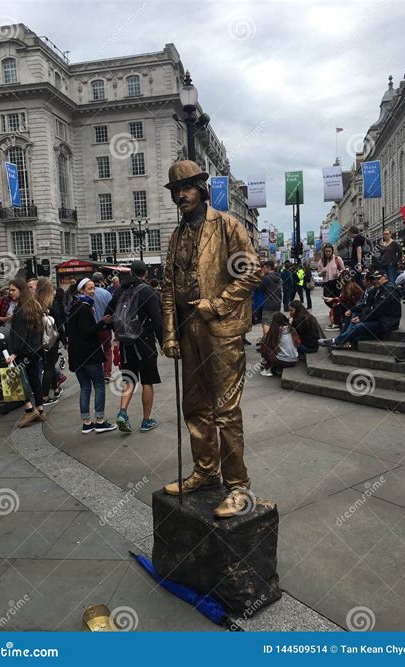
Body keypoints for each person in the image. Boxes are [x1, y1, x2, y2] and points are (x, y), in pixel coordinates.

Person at [161, 160, 262, 518]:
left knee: (226, 411)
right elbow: (169, 288)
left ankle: (238, 486)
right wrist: (170, 332)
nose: (180, 196)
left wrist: (217, 304)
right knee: (195, 407)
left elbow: (251, 270)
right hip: (189, 332)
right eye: (175, 190)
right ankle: (206, 471)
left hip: (221, 330)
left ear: (202, 189)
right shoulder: (175, 235)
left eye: (186, 188)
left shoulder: (227, 225)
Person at [105, 260, 163, 433]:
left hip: (125, 343)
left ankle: (123, 412)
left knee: (129, 379)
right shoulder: (149, 291)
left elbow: (108, 315)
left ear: (130, 272)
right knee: (147, 381)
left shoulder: (120, 290)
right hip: (144, 341)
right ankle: (146, 420)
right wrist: (163, 342)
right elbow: (158, 320)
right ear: (145, 273)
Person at [67, 278, 116, 434]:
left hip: (76, 354)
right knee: (99, 385)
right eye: (89, 288)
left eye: (93, 287)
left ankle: (86, 423)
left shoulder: (74, 307)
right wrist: (102, 322)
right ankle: (100, 421)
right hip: (89, 353)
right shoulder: (84, 308)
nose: (93, 291)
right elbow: (87, 331)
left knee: (85, 387)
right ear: (81, 291)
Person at [319, 270, 401, 349]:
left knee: (359, 326)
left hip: (386, 322)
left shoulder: (389, 290)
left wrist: (361, 318)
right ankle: (342, 339)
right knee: (351, 315)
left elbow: (377, 310)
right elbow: (366, 305)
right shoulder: (377, 289)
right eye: (373, 279)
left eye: (378, 278)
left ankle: (336, 341)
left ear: (385, 277)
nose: (375, 281)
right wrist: (355, 313)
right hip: (377, 318)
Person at [6, 279, 45, 428]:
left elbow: (20, 334)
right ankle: (40, 409)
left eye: (13, 290)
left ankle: (29, 409)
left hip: (23, 351)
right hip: (35, 350)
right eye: (9, 290)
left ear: (21, 291)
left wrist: (14, 353)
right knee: (34, 378)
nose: (10, 293)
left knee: (14, 380)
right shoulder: (35, 306)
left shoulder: (19, 310)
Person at [35, 278, 67, 405]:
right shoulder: (52, 303)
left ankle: (56, 387)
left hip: (38, 340)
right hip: (51, 339)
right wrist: (65, 340)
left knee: (48, 364)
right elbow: (59, 324)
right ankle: (44, 396)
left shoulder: (35, 303)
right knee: (49, 366)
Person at [259, 312, 299, 377]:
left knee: (264, 344)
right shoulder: (291, 329)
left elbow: (268, 343)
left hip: (282, 361)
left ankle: (265, 367)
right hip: (294, 360)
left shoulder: (276, 330)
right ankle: (277, 367)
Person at [92, 272, 113, 381]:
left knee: (96, 350)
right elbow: (112, 309)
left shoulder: (88, 294)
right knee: (107, 349)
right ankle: (107, 373)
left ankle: (98, 373)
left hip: (93, 327)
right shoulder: (106, 293)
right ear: (102, 280)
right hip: (105, 326)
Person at [260, 260, 282, 334]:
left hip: (269, 304)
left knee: (266, 323)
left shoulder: (267, 278)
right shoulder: (278, 277)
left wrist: (261, 277)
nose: (263, 270)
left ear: (268, 268)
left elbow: (259, 289)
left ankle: (267, 342)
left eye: (264, 268)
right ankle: (275, 341)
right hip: (278, 303)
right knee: (275, 324)